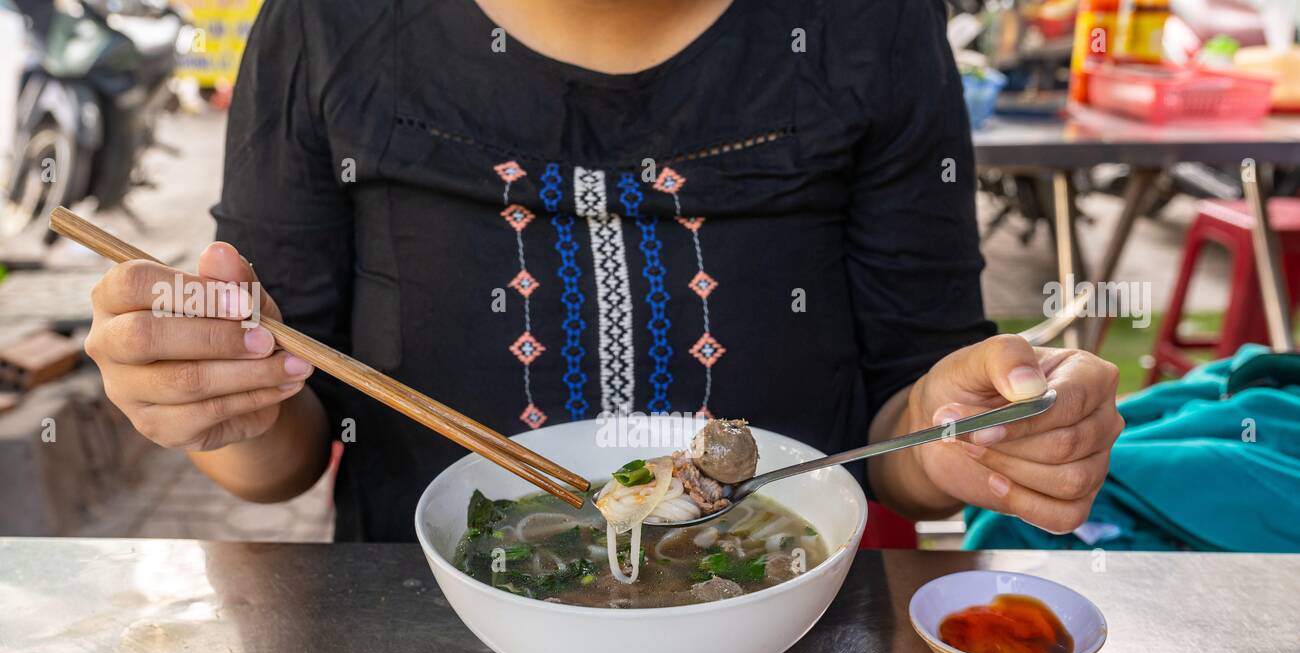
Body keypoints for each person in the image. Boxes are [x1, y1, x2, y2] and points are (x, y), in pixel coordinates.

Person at [85, 0, 1123, 543]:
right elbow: (283, 458)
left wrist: (970, 438)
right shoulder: (330, 26)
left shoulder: (871, 27)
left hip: (785, 650)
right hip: (421, 645)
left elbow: (904, 436)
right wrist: (223, 395)